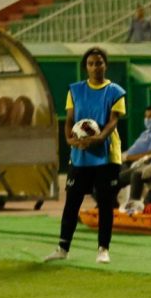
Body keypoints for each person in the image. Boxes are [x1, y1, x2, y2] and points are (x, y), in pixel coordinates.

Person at [45, 47, 126, 265]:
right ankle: (63, 248)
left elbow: (113, 121)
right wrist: (70, 140)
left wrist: (99, 138)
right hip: (80, 154)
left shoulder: (115, 91)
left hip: (107, 154)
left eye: (99, 63)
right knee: (72, 201)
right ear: (85, 67)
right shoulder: (75, 90)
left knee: (106, 202)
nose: (95, 67)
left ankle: (103, 249)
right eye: (91, 63)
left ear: (105, 65)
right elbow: (70, 120)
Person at [117, 105, 151, 207]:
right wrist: (124, 155)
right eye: (146, 117)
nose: (147, 119)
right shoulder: (146, 133)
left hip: (140, 163)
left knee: (120, 177)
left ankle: (132, 203)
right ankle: (109, 202)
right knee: (105, 172)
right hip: (128, 161)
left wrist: (127, 157)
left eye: (150, 117)